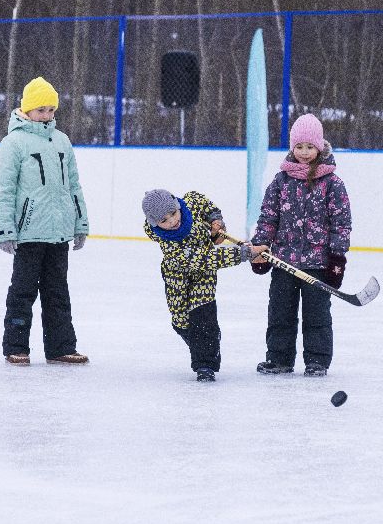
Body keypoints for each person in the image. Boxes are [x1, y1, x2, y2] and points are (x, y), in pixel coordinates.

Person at [0, 77, 90, 367]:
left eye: (51, 110)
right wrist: (6, 230)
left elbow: (74, 185)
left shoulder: (62, 141)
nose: (47, 115)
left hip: (59, 232)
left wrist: (80, 223)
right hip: (29, 232)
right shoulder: (14, 143)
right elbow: (4, 189)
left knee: (57, 291)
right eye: (41, 110)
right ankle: (16, 346)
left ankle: (61, 347)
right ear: (27, 110)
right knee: (22, 291)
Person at [250, 113, 352, 377]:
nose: (304, 153)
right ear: (292, 147)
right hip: (283, 261)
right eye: (299, 147)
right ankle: (279, 358)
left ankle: (317, 360)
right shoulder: (280, 181)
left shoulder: (332, 184)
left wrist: (337, 259)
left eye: (309, 147)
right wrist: (260, 246)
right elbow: (268, 216)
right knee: (280, 313)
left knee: (317, 315)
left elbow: (341, 222)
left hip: (317, 264)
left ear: (319, 147)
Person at [142, 189, 266, 381]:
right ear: (155, 223)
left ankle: (205, 364)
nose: (172, 221)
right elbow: (204, 259)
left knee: (202, 314)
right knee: (181, 321)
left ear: (177, 205)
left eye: (173, 214)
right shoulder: (166, 240)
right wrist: (244, 254)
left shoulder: (189, 204)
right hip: (178, 276)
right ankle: (205, 344)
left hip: (204, 276)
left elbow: (201, 200)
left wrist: (216, 220)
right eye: (164, 221)